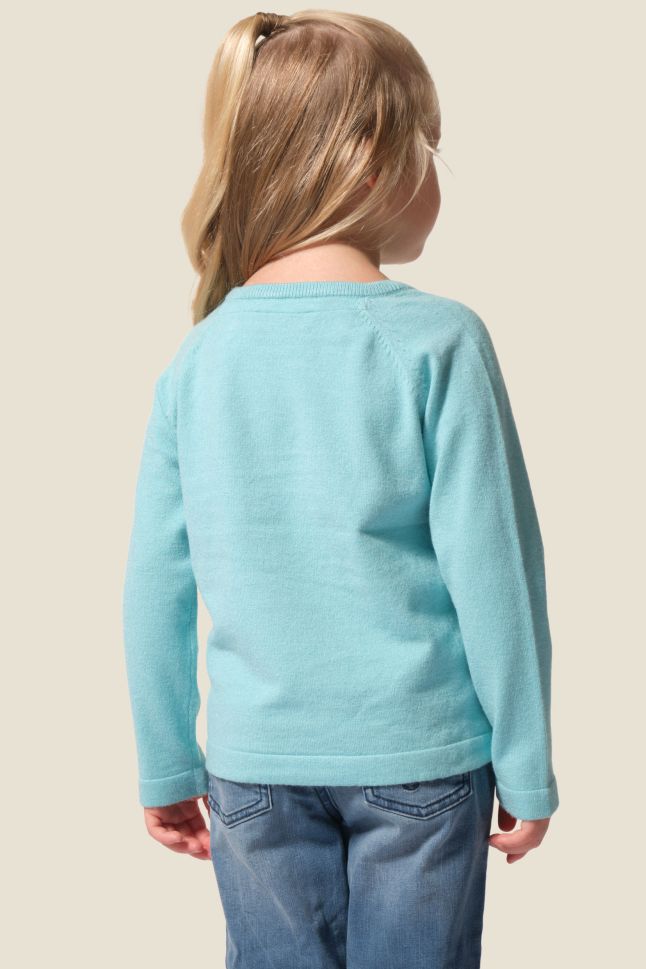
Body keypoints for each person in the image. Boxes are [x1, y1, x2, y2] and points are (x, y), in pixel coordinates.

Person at [122, 10, 560, 968]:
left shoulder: (200, 358)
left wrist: (164, 759)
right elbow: (497, 573)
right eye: (430, 146)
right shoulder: (439, 341)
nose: (438, 174)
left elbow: (155, 582)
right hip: (421, 761)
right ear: (368, 162)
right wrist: (526, 762)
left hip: (253, 773)